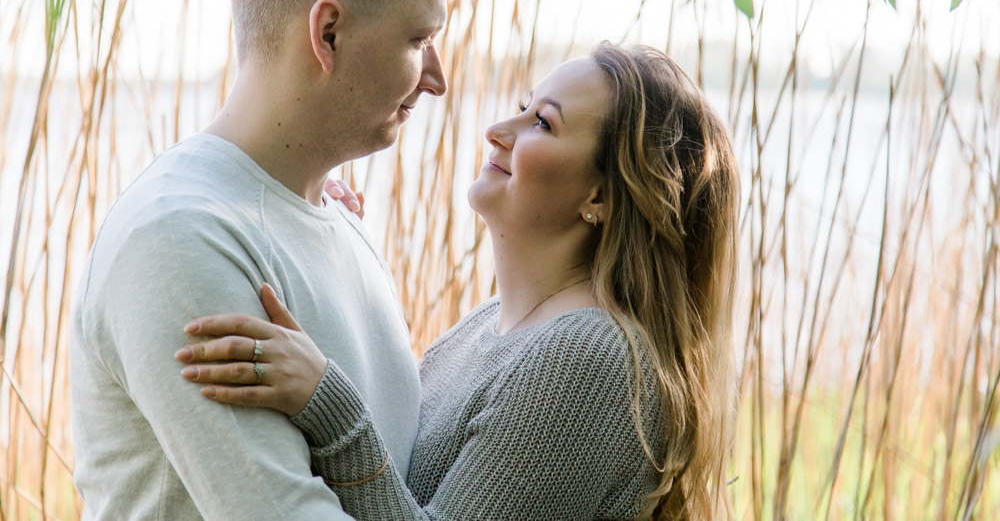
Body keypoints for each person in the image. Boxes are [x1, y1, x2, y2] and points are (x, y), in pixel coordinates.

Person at [177, 42, 741, 519]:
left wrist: (329, 404)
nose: (498, 129)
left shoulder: (589, 361)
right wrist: (323, 241)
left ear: (602, 196)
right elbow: (390, 479)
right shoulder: (489, 327)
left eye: (542, 122)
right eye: (523, 108)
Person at [69, 0, 451, 519]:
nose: (437, 78)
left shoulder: (334, 219)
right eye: (417, 40)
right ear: (327, 32)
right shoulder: (180, 238)